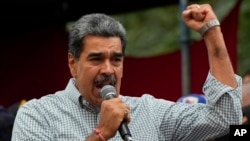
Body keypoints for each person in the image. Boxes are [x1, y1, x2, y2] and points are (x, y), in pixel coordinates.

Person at [11, 3, 242, 141]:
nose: (108, 69)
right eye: (96, 59)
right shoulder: (37, 115)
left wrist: (212, 34)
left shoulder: (150, 112)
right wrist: (101, 134)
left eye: (116, 59)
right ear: (73, 63)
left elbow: (225, 119)